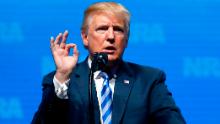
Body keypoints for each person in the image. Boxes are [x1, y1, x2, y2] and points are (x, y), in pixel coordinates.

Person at [32, 2, 186, 124]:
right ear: (85, 38)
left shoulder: (149, 80)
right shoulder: (61, 80)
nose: (111, 36)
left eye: (118, 30)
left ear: (127, 38)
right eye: (102, 29)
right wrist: (63, 76)